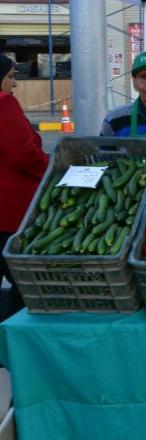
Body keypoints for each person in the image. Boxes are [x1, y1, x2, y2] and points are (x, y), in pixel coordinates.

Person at [0, 54, 49, 318]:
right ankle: (11, 346)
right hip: (9, 212)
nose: (14, 84)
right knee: (24, 283)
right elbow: (23, 154)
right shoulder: (3, 103)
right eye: (11, 77)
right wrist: (48, 168)